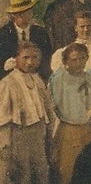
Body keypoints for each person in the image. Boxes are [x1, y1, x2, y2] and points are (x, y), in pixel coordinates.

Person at [49, 42, 91, 184]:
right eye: (74, 59)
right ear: (65, 61)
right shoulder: (59, 79)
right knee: (68, 170)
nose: (79, 63)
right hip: (69, 131)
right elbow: (52, 105)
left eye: (82, 58)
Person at [0, 41, 56, 183]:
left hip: (38, 134)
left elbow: (47, 109)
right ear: (16, 58)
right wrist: (5, 145)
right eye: (26, 57)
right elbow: (3, 118)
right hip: (18, 135)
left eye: (35, 57)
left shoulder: (37, 80)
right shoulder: (8, 83)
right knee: (22, 174)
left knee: (41, 170)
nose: (30, 62)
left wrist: (49, 133)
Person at [51, 10, 91, 89]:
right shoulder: (61, 53)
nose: (86, 30)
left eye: (89, 26)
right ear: (75, 28)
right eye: (82, 26)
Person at [0, 0, 53, 80]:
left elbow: (46, 59)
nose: (30, 14)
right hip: (11, 81)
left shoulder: (41, 33)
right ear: (16, 15)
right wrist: (6, 66)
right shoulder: (3, 34)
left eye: (30, 10)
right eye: (26, 12)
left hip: (36, 80)